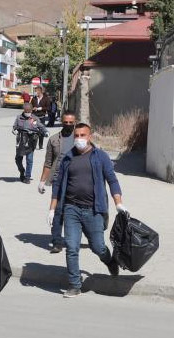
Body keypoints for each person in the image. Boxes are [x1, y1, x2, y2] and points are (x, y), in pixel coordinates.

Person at [48, 122, 125, 298]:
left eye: (83, 135)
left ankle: (110, 261)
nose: (79, 139)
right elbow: (57, 185)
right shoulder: (67, 158)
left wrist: (118, 203)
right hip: (71, 209)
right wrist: (52, 209)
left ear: (90, 137)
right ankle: (75, 285)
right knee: (71, 247)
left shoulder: (100, 156)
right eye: (77, 135)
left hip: (93, 210)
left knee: (97, 246)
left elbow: (112, 180)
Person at [38, 110, 77, 253]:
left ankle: (76, 239)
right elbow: (48, 162)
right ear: (62, 121)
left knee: (75, 211)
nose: (68, 125)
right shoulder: (54, 139)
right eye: (65, 122)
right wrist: (42, 181)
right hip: (58, 180)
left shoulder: (80, 138)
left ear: (75, 122)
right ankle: (57, 241)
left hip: (76, 180)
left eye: (70, 123)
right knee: (58, 210)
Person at [12, 102, 49, 184]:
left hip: (31, 141)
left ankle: (27, 177)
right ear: (24, 110)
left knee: (29, 160)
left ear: (32, 110)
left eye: (29, 111)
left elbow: (41, 127)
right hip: (21, 141)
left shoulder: (35, 119)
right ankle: (22, 171)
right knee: (18, 160)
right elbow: (14, 126)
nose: (28, 112)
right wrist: (14, 130)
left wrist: (46, 132)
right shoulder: (19, 118)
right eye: (26, 111)